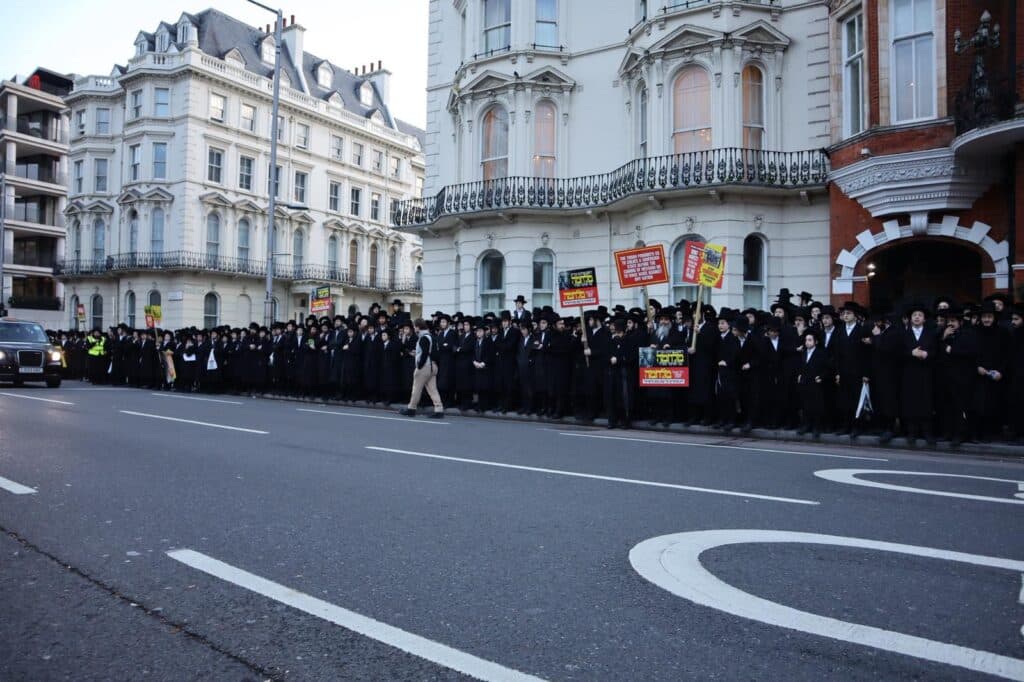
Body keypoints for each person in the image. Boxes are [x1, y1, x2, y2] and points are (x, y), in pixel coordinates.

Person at [399, 319, 444, 418]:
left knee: (416, 389)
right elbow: (433, 353)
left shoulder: (423, 338)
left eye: (415, 326)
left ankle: (411, 408)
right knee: (433, 390)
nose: (414, 328)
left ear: (418, 327)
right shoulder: (432, 337)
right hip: (433, 366)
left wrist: (419, 365)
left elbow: (424, 354)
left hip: (424, 366)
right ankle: (439, 409)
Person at [796, 329, 830, 438]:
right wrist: (800, 374)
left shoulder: (821, 353)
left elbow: (827, 368)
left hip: (816, 383)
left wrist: (822, 377)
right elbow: (801, 366)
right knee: (806, 405)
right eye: (806, 340)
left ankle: (817, 427)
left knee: (817, 406)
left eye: (810, 340)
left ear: (816, 342)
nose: (807, 342)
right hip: (805, 383)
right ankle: (806, 425)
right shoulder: (804, 353)